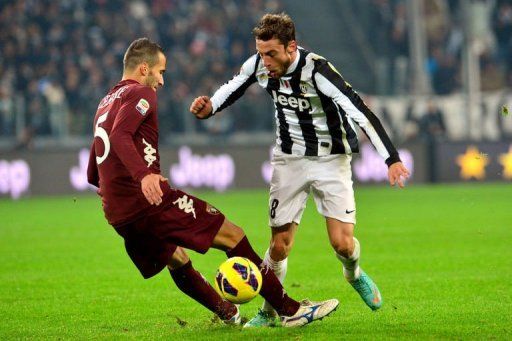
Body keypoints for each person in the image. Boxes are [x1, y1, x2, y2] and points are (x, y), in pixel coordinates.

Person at [86, 37, 338, 328]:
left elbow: (95, 165)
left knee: (176, 258)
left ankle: (228, 313)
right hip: (148, 201)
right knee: (232, 235)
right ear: (144, 69)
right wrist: (143, 176)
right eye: (161, 72)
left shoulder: (105, 102)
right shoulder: (140, 93)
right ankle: (290, 310)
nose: (162, 82)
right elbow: (119, 137)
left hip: (118, 213)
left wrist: (110, 193)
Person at [189, 13, 410, 327]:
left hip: (332, 159)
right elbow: (234, 87)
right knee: (279, 245)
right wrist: (210, 106)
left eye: (271, 54)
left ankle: (354, 274)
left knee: (342, 244)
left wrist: (391, 158)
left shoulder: (318, 71)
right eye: (261, 53)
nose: (264, 61)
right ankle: (269, 310)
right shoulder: (258, 65)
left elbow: (359, 111)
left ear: (291, 47)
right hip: (289, 159)